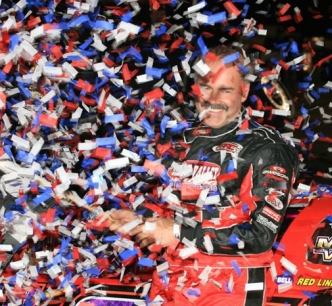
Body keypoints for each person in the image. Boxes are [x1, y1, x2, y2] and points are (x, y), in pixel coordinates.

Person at [109, 46, 300, 305]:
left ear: (243, 91)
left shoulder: (267, 148)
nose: (212, 98)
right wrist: (139, 221)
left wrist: (176, 232)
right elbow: (172, 210)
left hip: (230, 285)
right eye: (206, 87)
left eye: (225, 89)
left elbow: (261, 236)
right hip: (171, 280)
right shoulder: (181, 141)